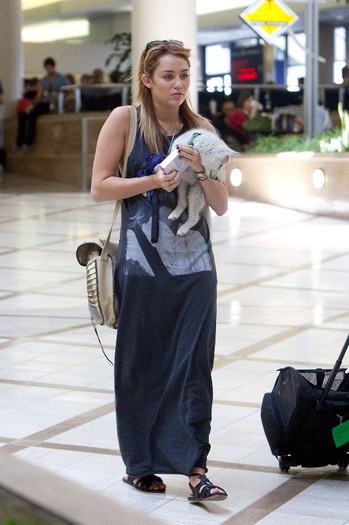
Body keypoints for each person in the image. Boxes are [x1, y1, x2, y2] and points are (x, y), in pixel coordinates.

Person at [91, 39, 228, 503]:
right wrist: (153, 180)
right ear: (147, 79)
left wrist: (204, 170)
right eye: (168, 76)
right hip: (141, 266)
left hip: (196, 267)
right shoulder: (125, 122)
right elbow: (99, 187)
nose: (178, 85)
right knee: (141, 365)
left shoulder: (201, 128)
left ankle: (195, 467)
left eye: (184, 76)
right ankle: (141, 464)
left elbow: (222, 207)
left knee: (194, 365)